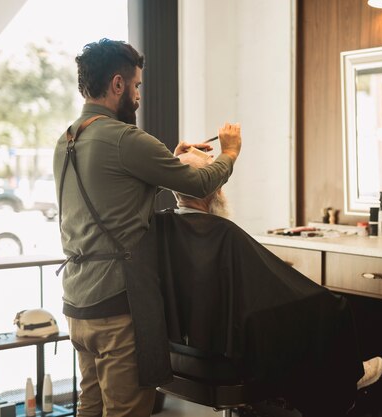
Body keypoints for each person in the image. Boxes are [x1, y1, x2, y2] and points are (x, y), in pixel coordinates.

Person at [52, 39, 241, 417]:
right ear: (118, 84)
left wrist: (168, 159)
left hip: (77, 305)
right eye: (136, 86)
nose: (138, 96)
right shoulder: (125, 139)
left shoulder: (67, 139)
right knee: (126, 411)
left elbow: (114, 189)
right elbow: (201, 184)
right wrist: (230, 153)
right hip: (117, 305)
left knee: (91, 406)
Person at [155, 150, 382, 417]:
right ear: (213, 190)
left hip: (181, 354)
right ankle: (346, 377)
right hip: (226, 358)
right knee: (331, 305)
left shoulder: (162, 225)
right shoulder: (223, 232)